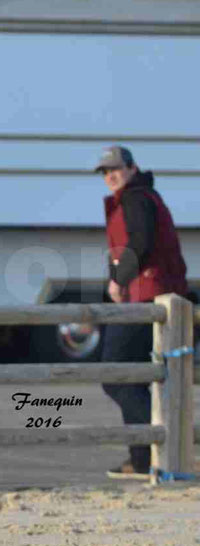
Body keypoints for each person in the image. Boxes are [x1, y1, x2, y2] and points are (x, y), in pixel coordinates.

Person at [95, 145, 189, 479]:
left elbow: (141, 241)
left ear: (133, 168)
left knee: (114, 376)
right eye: (105, 172)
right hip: (152, 297)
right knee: (135, 378)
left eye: (115, 169)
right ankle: (141, 459)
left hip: (147, 300)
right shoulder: (138, 197)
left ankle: (156, 447)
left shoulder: (135, 198)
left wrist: (119, 281)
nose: (110, 176)